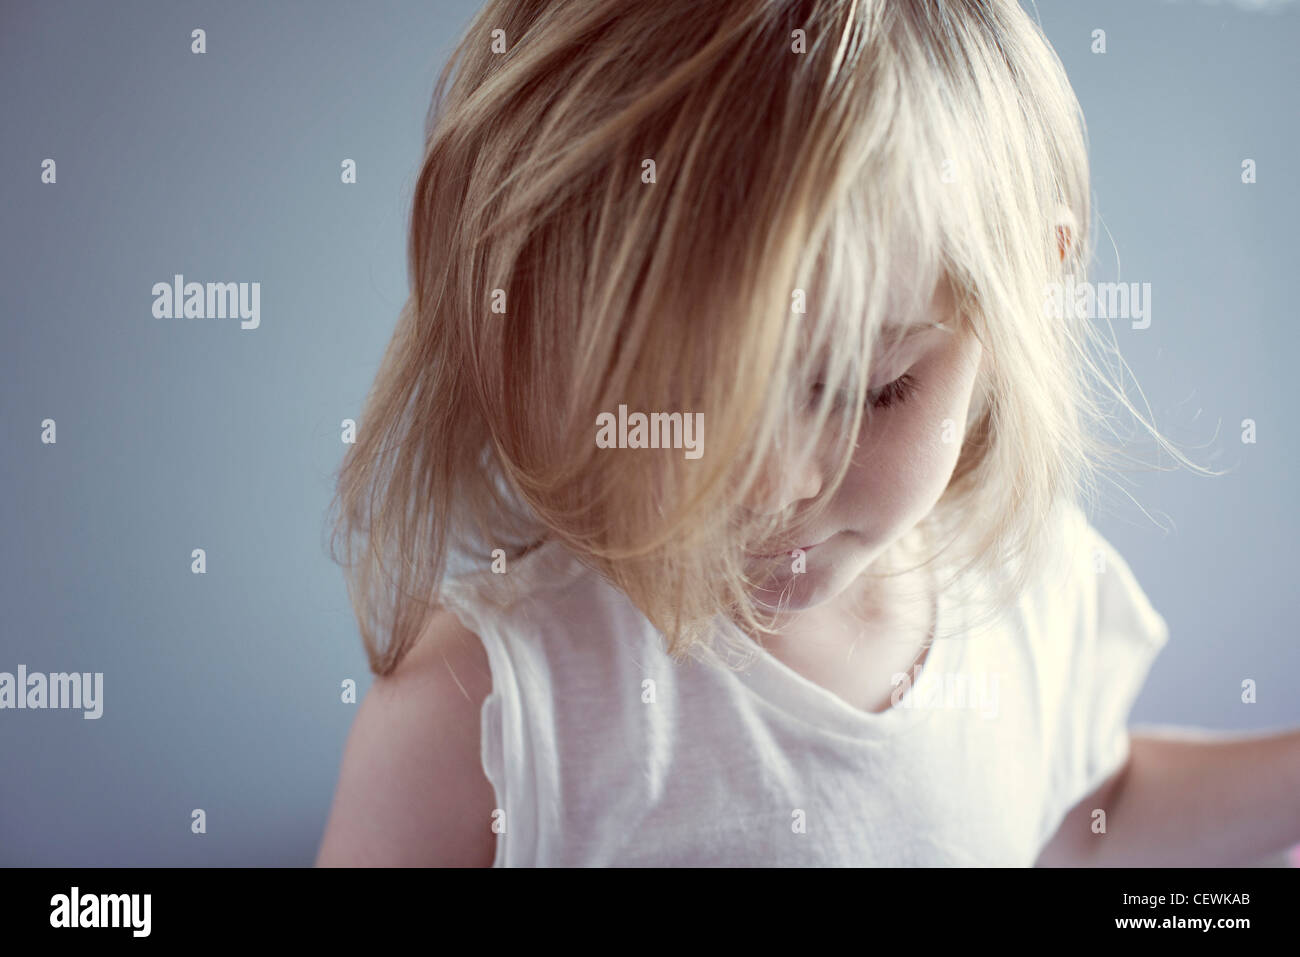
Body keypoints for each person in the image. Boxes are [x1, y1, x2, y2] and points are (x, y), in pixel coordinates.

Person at [315, 0, 1300, 866]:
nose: (777, 484)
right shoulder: (485, 710)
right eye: (689, 404)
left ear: (1023, 302)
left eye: (874, 392)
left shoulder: (1032, 588)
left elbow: (1087, 814)